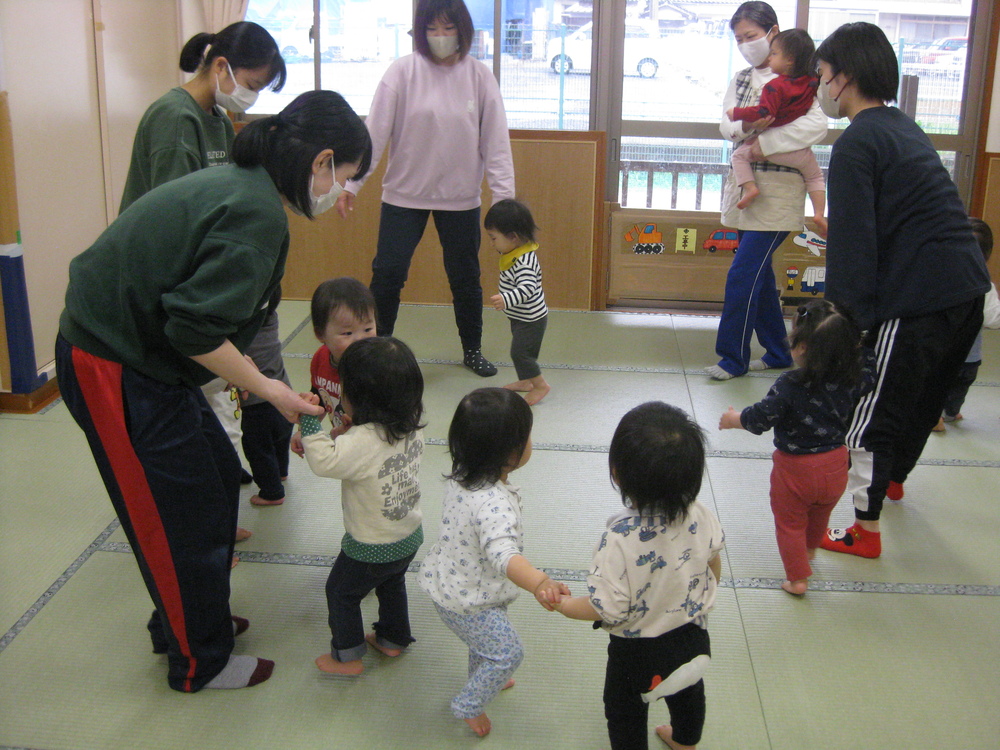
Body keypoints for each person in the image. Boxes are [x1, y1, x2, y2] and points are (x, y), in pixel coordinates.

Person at [55, 90, 372, 692]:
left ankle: (187, 619)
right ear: (321, 162)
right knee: (173, 514)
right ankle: (198, 658)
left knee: (217, 483)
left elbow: (207, 318)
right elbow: (192, 326)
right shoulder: (255, 212)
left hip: (152, 358)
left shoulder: (248, 184)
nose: (343, 194)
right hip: (111, 357)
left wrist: (265, 388)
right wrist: (272, 393)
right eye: (347, 178)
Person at [813, 22, 991, 559]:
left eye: (822, 75)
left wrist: (846, 328)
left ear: (844, 77)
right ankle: (891, 482)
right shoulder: (903, 127)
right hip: (968, 289)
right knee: (920, 400)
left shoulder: (854, 144)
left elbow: (854, 246)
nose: (820, 87)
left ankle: (864, 531)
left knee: (869, 409)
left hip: (920, 299)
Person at [118, 20, 287, 546]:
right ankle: (198, 525)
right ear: (221, 68)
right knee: (199, 413)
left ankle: (209, 518)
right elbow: (178, 217)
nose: (251, 96)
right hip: (159, 284)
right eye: (252, 83)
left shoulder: (215, 117)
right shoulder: (174, 117)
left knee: (215, 408)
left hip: (187, 285)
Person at [338, 0, 515, 378]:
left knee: (465, 278)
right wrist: (353, 183)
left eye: (447, 28)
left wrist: (504, 204)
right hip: (404, 196)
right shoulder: (402, 72)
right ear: (420, 33)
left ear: (463, 31)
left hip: (461, 199)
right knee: (387, 274)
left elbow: (497, 145)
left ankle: (472, 349)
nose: (439, 37)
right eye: (431, 29)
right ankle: (378, 350)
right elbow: (375, 134)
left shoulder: (480, 76)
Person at [555, 402, 725, 750]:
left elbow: (607, 609)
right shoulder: (701, 513)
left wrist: (564, 605)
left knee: (624, 712)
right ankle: (684, 742)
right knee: (688, 691)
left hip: (635, 654)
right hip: (693, 636)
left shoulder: (618, 539)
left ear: (616, 472)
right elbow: (713, 564)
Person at [418, 388, 570, 737]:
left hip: (457, 581)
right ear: (511, 454)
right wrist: (539, 582)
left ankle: (485, 678)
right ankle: (469, 703)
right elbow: (504, 555)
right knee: (507, 652)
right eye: (528, 436)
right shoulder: (494, 503)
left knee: (486, 646)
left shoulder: (462, 474)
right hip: (471, 601)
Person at [719, 300, 875, 595]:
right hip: (837, 465)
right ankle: (811, 553)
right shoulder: (856, 378)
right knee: (819, 515)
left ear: (801, 347)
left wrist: (732, 419)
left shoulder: (790, 383)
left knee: (790, 524)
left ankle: (797, 579)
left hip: (795, 469)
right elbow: (870, 363)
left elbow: (759, 419)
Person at [708, 1, 828, 381]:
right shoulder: (741, 78)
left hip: (778, 193)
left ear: (773, 32)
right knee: (758, 278)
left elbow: (815, 128)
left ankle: (732, 358)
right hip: (745, 188)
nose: (746, 44)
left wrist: (764, 142)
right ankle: (778, 352)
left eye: (752, 36)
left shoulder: (807, 83)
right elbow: (727, 124)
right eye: (739, 38)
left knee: (742, 275)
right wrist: (750, 128)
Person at [299, 337, 425, 676]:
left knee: (340, 593)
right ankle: (393, 638)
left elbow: (325, 462)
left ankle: (347, 656)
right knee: (391, 584)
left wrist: (309, 423)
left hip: (371, 545)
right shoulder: (411, 428)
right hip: (409, 535)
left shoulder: (362, 441)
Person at [726, 29, 827, 236]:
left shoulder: (774, 86)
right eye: (739, 39)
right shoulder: (812, 83)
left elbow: (764, 112)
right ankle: (819, 213)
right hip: (800, 153)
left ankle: (751, 188)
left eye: (773, 54)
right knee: (815, 176)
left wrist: (737, 113)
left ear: (789, 60)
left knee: (738, 156)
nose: (769, 57)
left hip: (769, 158)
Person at [289, 277, 378, 459]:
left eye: (368, 329)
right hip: (345, 444)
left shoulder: (379, 367)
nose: (360, 340)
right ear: (320, 334)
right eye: (348, 333)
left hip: (375, 452)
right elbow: (321, 398)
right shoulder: (321, 358)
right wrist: (305, 431)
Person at [932, 218, 1000, 431]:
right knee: (960, 386)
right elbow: (993, 320)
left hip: (939, 351)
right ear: (987, 254)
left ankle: (935, 416)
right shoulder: (985, 286)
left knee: (937, 385)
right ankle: (951, 412)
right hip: (970, 355)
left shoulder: (938, 280)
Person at [485, 199, 551, 405]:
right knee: (523, 351)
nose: (492, 243)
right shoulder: (513, 253)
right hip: (520, 316)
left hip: (532, 319)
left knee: (521, 354)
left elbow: (527, 288)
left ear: (513, 237)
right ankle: (526, 381)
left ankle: (540, 386)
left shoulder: (524, 260)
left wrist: (506, 299)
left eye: (494, 238)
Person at [240, 288, 294, 507]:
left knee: (258, 450)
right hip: (284, 395)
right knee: (280, 440)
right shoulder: (271, 318)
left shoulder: (239, 330)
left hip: (256, 405)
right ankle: (281, 473)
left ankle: (272, 492)